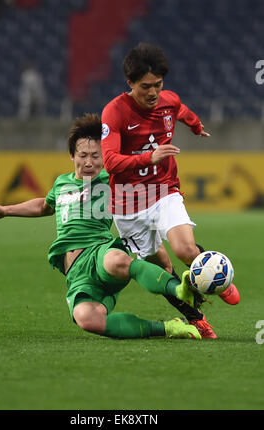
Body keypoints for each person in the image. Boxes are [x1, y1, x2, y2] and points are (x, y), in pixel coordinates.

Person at [0, 113, 201, 341]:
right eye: (83, 155)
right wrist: (5, 210)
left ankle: (178, 290)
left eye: (96, 156)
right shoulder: (61, 183)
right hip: (77, 274)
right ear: (72, 156)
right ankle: (169, 328)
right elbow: (44, 205)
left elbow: (144, 186)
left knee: (118, 260)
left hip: (99, 252)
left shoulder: (112, 179)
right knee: (88, 320)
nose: (89, 162)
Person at [101, 43, 240, 338]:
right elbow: (110, 161)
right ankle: (195, 317)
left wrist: (195, 125)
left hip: (164, 189)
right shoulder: (114, 112)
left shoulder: (168, 101)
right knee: (162, 268)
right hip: (128, 202)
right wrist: (147, 157)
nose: (152, 93)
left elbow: (181, 110)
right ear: (130, 83)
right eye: (145, 87)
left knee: (184, 249)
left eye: (158, 85)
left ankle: (222, 280)